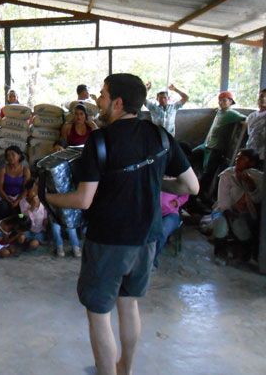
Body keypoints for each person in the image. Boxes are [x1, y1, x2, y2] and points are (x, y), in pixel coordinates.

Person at [45, 73, 198, 375]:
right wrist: (155, 183)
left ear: (117, 103)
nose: (98, 101)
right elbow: (191, 186)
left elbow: (83, 200)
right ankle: (124, 369)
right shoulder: (161, 136)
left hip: (108, 241)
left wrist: (50, 197)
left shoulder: (99, 141)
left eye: (102, 95)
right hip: (147, 237)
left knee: (99, 313)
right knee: (129, 305)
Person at [211, 149, 263, 263]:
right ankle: (220, 252)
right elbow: (223, 200)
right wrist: (229, 213)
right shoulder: (227, 175)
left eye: (242, 158)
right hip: (224, 210)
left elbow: (258, 199)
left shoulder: (257, 177)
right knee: (221, 226)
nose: (237, 159)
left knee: (242, 231)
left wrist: (251, 185)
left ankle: (243, 251)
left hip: (243, 214)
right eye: (237, 157)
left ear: (251, 163)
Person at [192, 91, 246, 202]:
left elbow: (245, 118)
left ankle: (200, 197)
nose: (221, 103)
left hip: (215, 149)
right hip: (207, 145)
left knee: (208, 174)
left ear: (230, 102)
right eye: (220, 100)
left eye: (224, 100)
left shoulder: (231, 113)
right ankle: (194, 193)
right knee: (194, 159)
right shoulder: (220, 112)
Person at [154, 191, 189, 267]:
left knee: (162, 231)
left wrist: (176, 202)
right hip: (153, 210)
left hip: (170, 213)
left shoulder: (179, 179)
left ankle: (152, 261)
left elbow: (186, 195)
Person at [0, 146, 31, 218]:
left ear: (19, 156)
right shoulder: (3, 169)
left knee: (21, 212)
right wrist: (8, 199)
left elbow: (26, 189)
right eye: (8, 155)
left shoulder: (25, 170)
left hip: (20, 197)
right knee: (3, 207)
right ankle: (4, 223)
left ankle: (19, 223)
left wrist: (18, 200)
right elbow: (0, 188)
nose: (10, 157)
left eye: (13, 154)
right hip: (5, 196)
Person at [246, 88, 266, 164]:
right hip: (250, 151)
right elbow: (250, 133)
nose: (263, 99)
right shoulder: (252, 116)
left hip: (263, 155)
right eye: (261, 96)